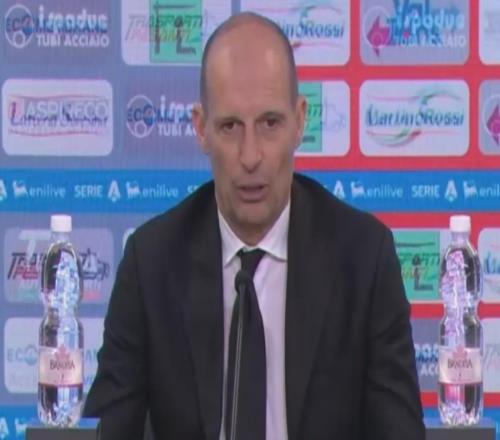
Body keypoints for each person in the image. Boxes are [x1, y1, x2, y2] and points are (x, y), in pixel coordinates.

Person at [84, 12, 425, 440]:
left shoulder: (363, 259)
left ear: (300, 121)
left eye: (270, 124)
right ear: (201, 129)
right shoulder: (150, 263)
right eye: (230, 127)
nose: (250, 156)